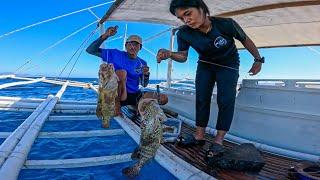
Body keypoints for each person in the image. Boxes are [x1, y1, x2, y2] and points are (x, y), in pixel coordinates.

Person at [157, 0, 264, 159]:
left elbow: (245, 39)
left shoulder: (226, 24)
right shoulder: (184, 33)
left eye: (188, 13)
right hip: (205, 64)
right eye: (181, 18)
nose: (186, 20)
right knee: (201, 98)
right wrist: (170, 54)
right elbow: (183, 56)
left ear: (201, 8)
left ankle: (219, 140)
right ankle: (199, 137)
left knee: (225, 100)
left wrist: (257, 60)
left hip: (229, 65)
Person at [86, 26, 168, 115]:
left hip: (135, 94)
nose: (132, 46)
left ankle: (139, 105)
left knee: (163, 98)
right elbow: (90, 50)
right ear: (125, 46)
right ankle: (116, 105)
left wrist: (146, 74)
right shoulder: (115, 54)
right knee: (122, 73)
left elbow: (144, 84)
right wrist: (106, 35)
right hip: (118, 94)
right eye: (130, 44)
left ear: (140, 47)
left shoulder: (142, 62)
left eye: (136, 44)